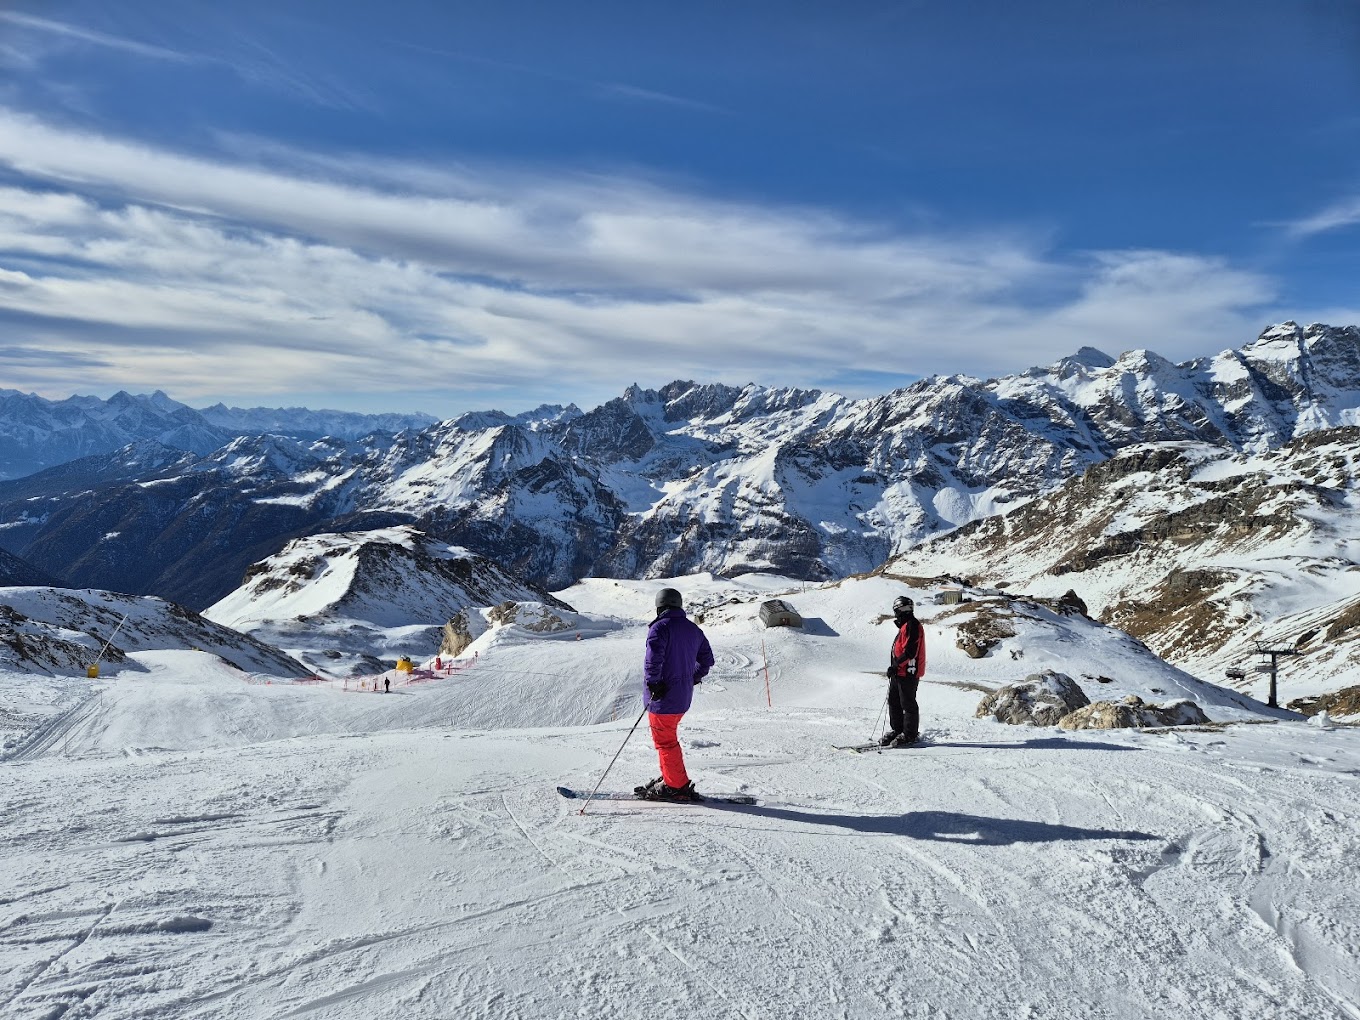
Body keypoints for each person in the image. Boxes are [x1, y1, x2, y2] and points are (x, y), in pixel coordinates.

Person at [635, 588, 714, 802]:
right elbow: (707, 660)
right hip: (682, 698)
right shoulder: (692, 629)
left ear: (660, 606)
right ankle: (671, 776)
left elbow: (653, 661)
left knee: (665, 742)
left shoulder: (660, 628)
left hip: (663, 700)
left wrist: (654, 684)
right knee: (667, 739)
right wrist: (692, 678)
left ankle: (675, 786)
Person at [881, 595, 927, 747]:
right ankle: (898, 729)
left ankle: (910, 735)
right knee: (894, 701)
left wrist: (896, 665)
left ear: (899, 610)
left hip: (909, 671)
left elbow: (910, 652)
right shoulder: (906, 625)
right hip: (900, 671)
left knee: (907, 703)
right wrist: (895, 667)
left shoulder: (912, 625)